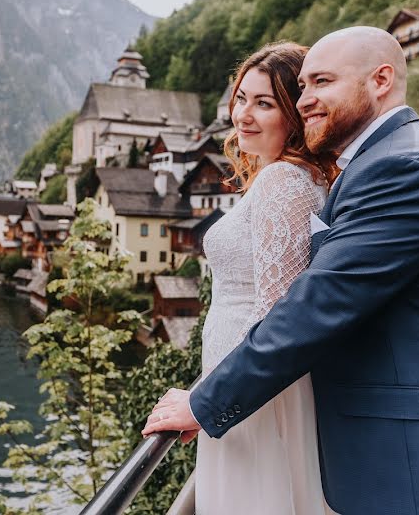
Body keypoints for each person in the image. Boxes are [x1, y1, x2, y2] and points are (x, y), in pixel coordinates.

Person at [143, 27, 419, 514]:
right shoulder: (380, 163)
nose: (306, 99)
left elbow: (317, 306)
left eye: (320, 82)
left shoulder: (407, 167)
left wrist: (205, 402)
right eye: (302, 88)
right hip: (394, 441)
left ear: (380, 80)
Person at [152, 41, 340, 513]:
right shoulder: (293, 178)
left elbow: (276, 315)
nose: (244, 115)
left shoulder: (282, 183)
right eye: (241, 98)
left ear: (294, 114)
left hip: (253, 393)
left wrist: (209, 401)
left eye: (264, 103)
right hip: (241, 383)